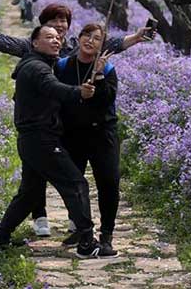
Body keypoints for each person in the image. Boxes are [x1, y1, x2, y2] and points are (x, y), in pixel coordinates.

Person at [0, 3, 155, 236]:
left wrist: (136, 38)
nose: (58, 27)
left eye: (63, 22)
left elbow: (104, 44)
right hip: (50, 125)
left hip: (78, 126)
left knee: (61, 180)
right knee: (46, 177)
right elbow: (6, 42)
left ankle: (73, 225)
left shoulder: (72, 47)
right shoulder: (37, 51)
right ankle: (44, 219)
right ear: (40, 31)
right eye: (52, 23)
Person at [0, 26, 109, 259]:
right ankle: (86, 242)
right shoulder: (37, 68)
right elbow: (53, 88)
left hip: (32, 141)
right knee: (76, 184)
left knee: (30, 194)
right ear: (34, 43)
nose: (56, 41)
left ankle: (0, 239)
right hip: (41, 140)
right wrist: (78, 93)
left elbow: (94, 45)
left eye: (57, 38)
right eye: (49, 38)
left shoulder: (38, 63)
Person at [55, 23, 120, 256]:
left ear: (101, 45)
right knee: (74, 184)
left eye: (96, 38)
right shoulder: (63, 65)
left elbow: (107, 101)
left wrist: (100, 76)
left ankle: (107, 235)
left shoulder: (108, 68)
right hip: (74, 134)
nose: (90, 41)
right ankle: (84, 231)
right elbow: (58, 95)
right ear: (79, 38)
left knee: (109, 183)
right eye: (86, 35)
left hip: (103, 134)